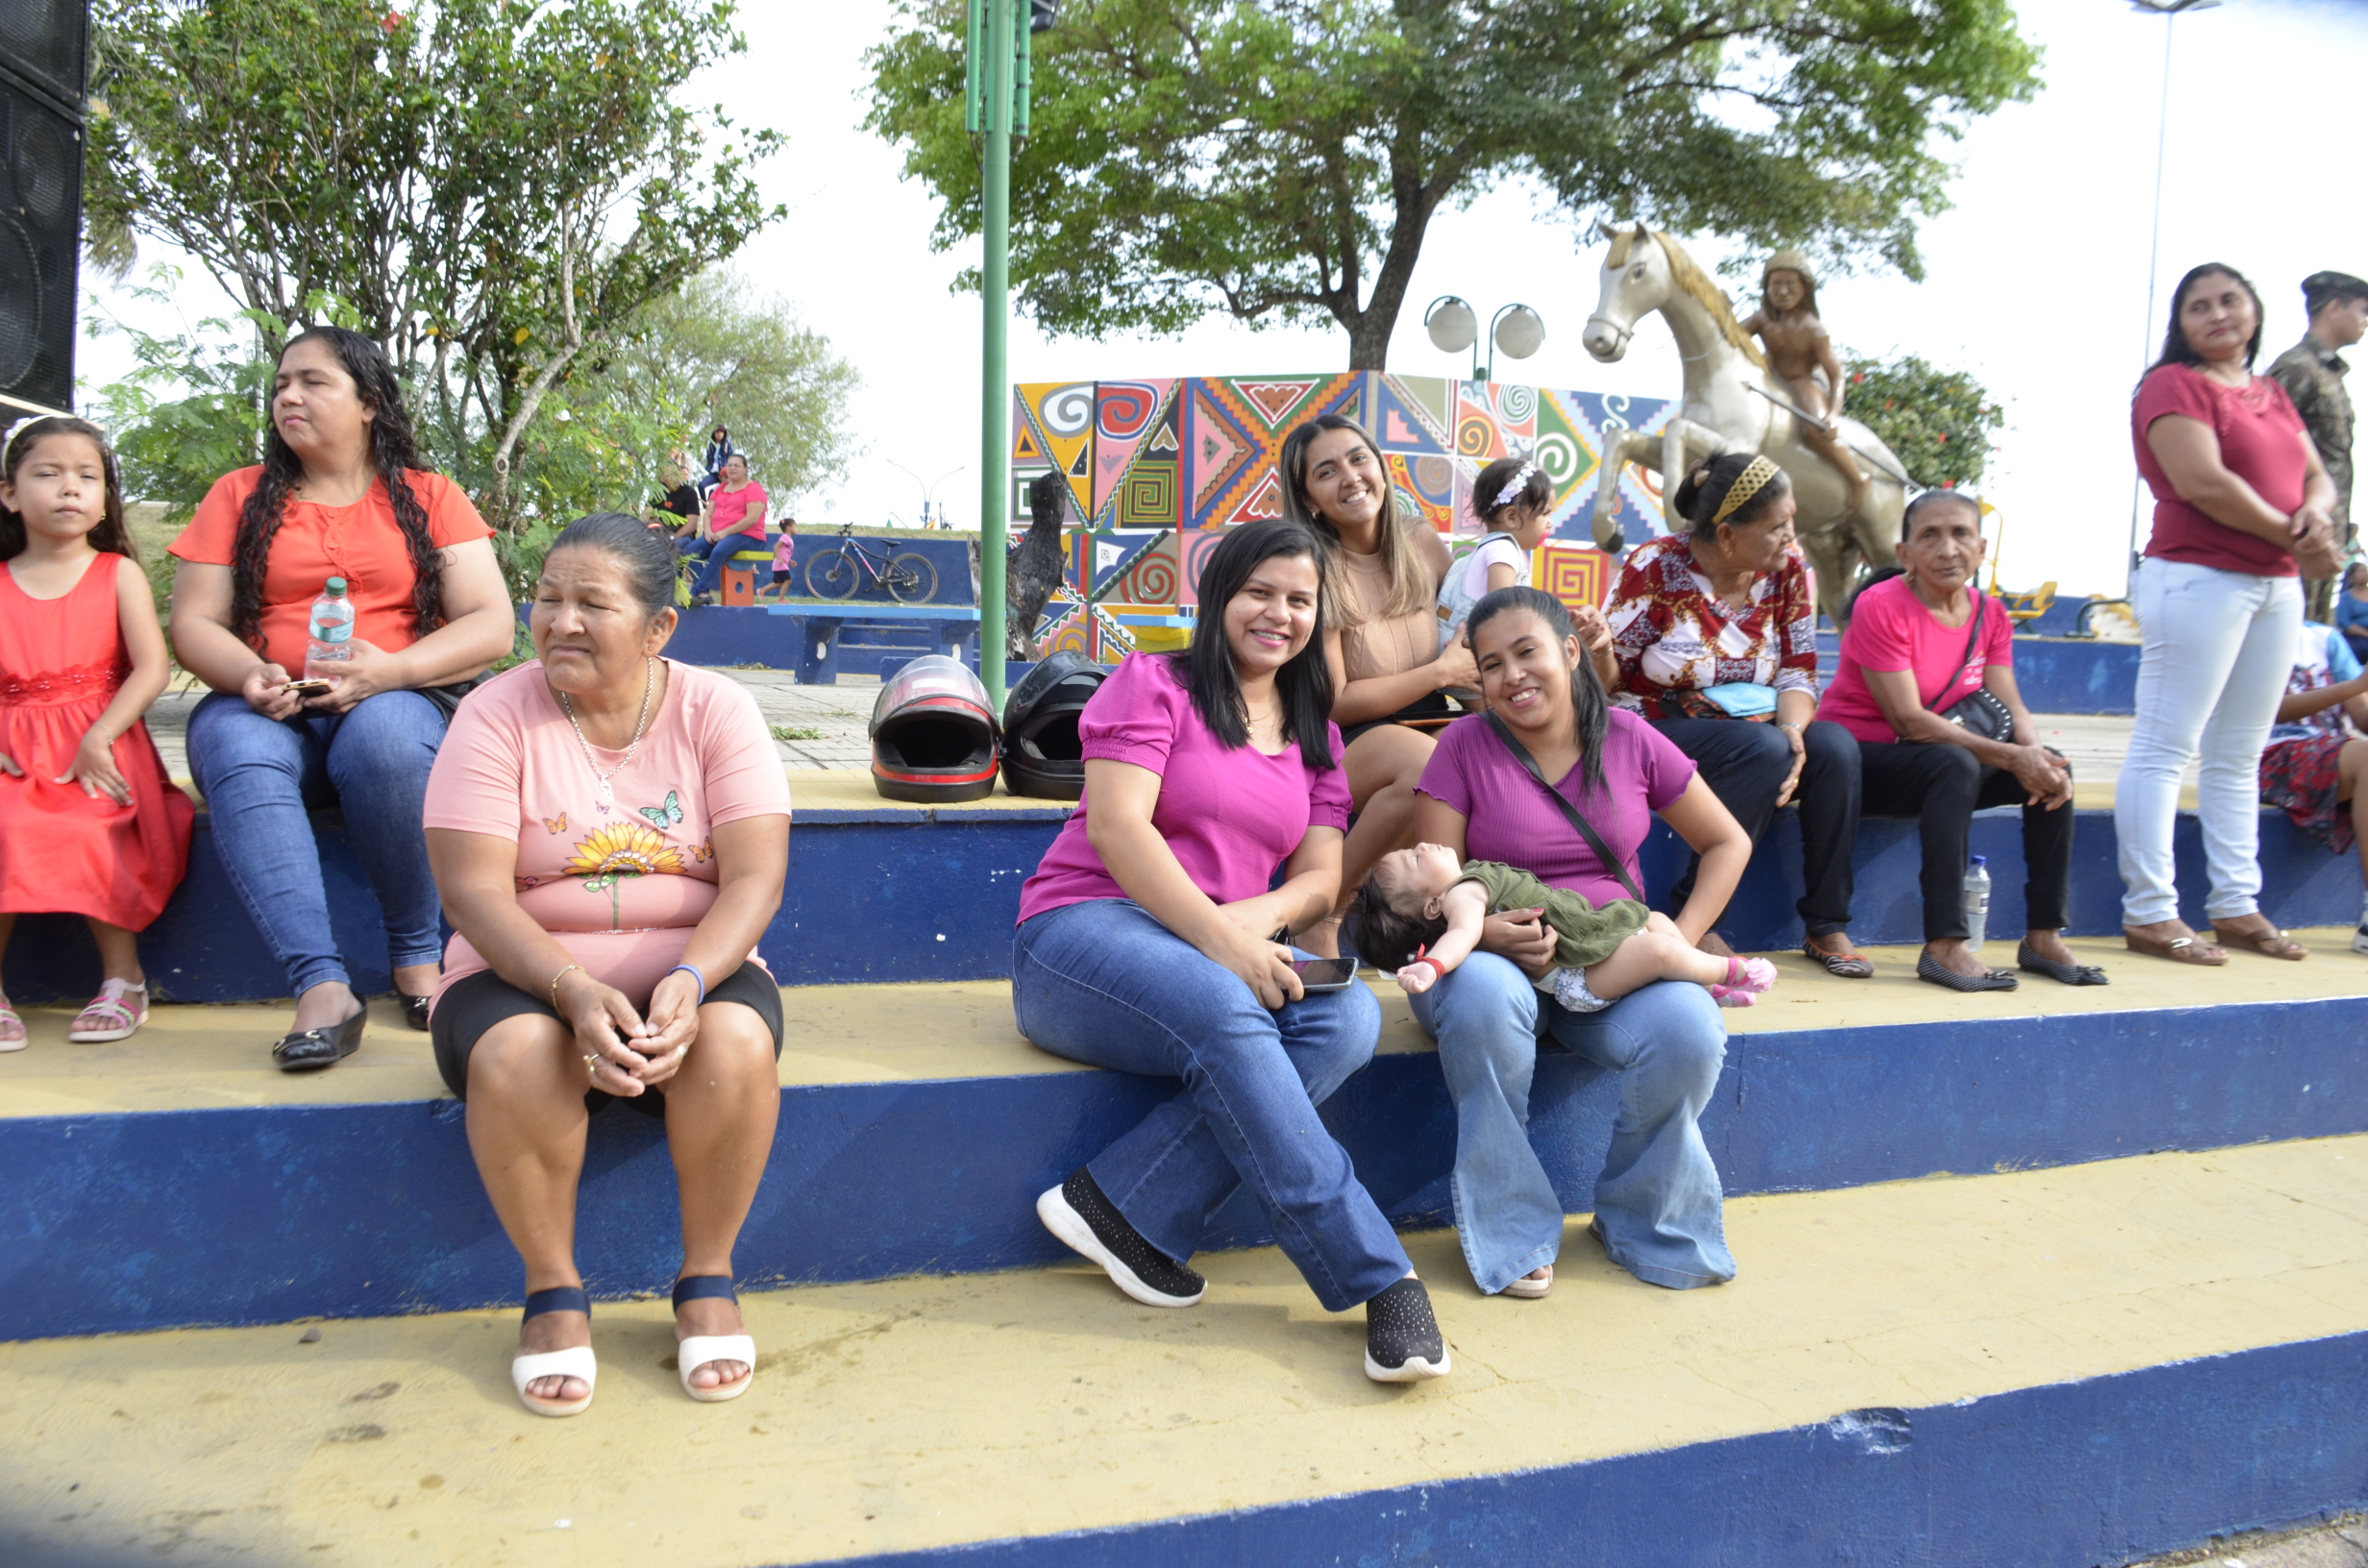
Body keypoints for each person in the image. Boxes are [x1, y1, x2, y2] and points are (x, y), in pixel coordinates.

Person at [1010, 518, 1449, 1384]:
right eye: (1260, 593)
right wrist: (1221, 940)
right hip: (1084, 935)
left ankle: (1121, 1205)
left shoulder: (1312, 733)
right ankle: (1380, 1276)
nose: (1277, 614)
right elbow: (1118, 827)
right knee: (1226, 1005)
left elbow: (1322, 878)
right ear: (1220, 595)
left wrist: (1257, 920)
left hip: (1221, 944)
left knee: (1349, 1019)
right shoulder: (1156, 683)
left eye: (1299, 600)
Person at [423, 513, 792, 1417]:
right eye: (548, 599)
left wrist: (694, 979)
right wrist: (572, 987)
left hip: (695, 963)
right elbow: (473, 893)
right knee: (517, 1056)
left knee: (737, 1041)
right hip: (520, 970)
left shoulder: (718, 710)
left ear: (659, 627)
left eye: (594, 603)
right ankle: (552, 1291)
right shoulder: (493, 711)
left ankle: (707, 1276)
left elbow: (754, 878)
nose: (562, 622)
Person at [169, 327, 515, 1068]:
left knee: (389, 735)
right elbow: (193, 622)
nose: (288, 395)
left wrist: (389, 672)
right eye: (280, 384)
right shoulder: (237, 495)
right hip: (268, 710)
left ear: (368, 402)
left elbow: (493, 625)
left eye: (313, 381)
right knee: (234, 744)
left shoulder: (429, 497)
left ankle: (419, 958)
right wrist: (247, 673)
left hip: (393, 704)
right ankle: (322, 987)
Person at [1405, 586, 1754, 1301]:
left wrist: (1675, 947)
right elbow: (1434, 892)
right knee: (1479, 995)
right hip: (1483, 963)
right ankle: (1511, 1229)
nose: (1512, 676)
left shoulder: (1627, 738)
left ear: (1570, 652)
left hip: (1607, 970)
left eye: (1527, 652)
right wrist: (1489, 936)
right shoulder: (1462, 748)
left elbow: (1727, 840)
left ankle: (1643, 1216)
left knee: (1690, 1026)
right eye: (1491, 662)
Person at [1280, 415, 1616, 957]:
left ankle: (1506, 919)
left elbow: (1471, 630)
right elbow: (1336, 702)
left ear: (1380, 468)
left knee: (1498, 764)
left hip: (1437, 716)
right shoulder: (1314, 567)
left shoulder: (1421, 542)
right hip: (1347, 737)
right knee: (1427, 766)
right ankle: (1323, 912)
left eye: (1358, 458)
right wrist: (1440, 674)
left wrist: (1566, 636)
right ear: (1310, 498)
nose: (1350, 477)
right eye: (1327, 471)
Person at [2119, 263, 2342, 967]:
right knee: (2165, 745)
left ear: (2254, 312)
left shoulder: (2270, 391)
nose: (2217, 315)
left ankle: (2235, 904)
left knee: (2239, 751)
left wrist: (2315, 517)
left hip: (2275, 587)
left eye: (2230, 301)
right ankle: (2150, 910)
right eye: (2198, 306)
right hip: (2197, 578)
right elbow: (2202, 482)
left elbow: (2317, 475)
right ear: (2180, 323)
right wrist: (2300, 539)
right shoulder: (2169, 385)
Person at [1818, 490, 2103, 992]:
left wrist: (2034, 754)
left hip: (1941, 762)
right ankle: (1946, 944)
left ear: (1981, 547)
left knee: (2057, 771)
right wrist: (2012, 756)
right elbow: (1909, 720)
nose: (1947, 548)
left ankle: (2043, 935)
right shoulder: (1880, 606)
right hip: (1868, 761)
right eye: (1929, 535)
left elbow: (2009, 702)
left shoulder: (1989, 613)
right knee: (1954, 765)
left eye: (1960, 534)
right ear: (1904, 553)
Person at [1604, 453, 1869, 974]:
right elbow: (1610, 679)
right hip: (1654, 722)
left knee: (1834, 749)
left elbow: (1797, 670)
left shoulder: (1788, 571)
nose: (1790, 540)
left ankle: (1825, 922)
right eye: (1776, 528)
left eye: (1791, 522)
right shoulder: (1655, 566)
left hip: (1756, 722)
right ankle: (1695, 919)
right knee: (1763, 751)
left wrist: (1794, 729)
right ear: (1726, 536)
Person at [0, 418, 194, 1049]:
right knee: (6, 826)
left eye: (87, 477)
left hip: (101, 746)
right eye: (47, 474)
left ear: (105, 498)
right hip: (13, 753)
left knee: (90, 824)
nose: (68, 489)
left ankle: (123, 979)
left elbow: (152, 668)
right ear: (9, 493)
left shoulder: (117, 574)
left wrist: (99, 735)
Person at [1354, 841, 1779, 1014]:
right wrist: (1432, 967)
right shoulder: (1462, 896)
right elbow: (1462, 935)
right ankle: (1730, 971)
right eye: (1414, 858)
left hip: (1588, 940)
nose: (1423, 844)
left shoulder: (1469, 879)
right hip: (1578, 974)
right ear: (1432, 906)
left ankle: (1710, 988)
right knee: (1659, 952)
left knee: (1657, 921)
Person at [2257, 619, 2368, 952]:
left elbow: (2361, 715)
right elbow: (2263, 711)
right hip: (2267, 752)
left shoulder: (2324, 637)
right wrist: (2356, 684)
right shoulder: (2242, 628)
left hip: (2329, 750)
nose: (2342, 562)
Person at [2267, 271, 2365, 619]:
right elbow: (2264, 449)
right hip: (2299, 535)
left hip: (2328, 536)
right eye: (2362, 310)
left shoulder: (2330, 373)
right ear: (2335, 307)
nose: (2366, 321)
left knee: (2313, 646)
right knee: (2290, 646)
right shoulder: (2297, 368)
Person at [1741, 251, 1867, 512]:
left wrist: (1832, 414)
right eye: (1776, 284)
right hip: (1769, 380)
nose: (1783, 291)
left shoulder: (1814, 329)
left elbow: (1836, 373)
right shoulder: (1762, 318)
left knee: (1816, 429)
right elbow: (1731, 335)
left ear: (1804, 289)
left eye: (1790, 284)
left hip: (1802, 382)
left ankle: (1857, 478)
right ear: (1766, 288)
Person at [1432, 456, 1561, 651]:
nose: (1550, 522)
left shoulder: (1486, 549)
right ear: (1512, 518)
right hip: (1467, 654)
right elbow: (1502, 613)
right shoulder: (1504, 551)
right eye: (1545, 514)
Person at [686, 453, 769, 604]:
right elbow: (708, 514)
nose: (732, 468)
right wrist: (708, 532)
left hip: (748, 537)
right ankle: (703, 594)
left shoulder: (754, 489)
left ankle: (695, 591)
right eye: (729, 465)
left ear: (745, 468)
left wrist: (724, 533)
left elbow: (751, 519)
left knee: (719, 550)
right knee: (690, 551)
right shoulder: (720, 489)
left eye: (736, 465)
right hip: (718, 535)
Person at [646, 462, 701, 529]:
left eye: (676, 474)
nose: (674, 478)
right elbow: (647, 513)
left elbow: (691, 525)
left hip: (682, 535)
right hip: (663, 532)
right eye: (668, 476)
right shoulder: (658, 490)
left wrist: (673, 538)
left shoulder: (690, 493)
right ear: (662, 478)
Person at [2335, 564, 2368, 664]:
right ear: (2351, 577)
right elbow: (2344, 623)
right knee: (2357, 648)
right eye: (2360, 571)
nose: (2364, 574)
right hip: (2357, 638)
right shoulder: (2346, 598)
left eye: (2365, 571)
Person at [765, 517, 797, 601]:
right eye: (794, 526)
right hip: (780, 564)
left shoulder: (788, 538)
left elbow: (785, 552)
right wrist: (779, 559)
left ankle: (762, 591)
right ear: (788, 528)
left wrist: (789, 561)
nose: (796, 528)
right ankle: (780, 599)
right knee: (788, 580)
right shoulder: (785, 537)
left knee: (780, 583)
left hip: (783, 564)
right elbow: (776, 546)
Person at [698, 426, 735, 497]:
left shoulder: (727, 444)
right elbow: (709, 458)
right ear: (714, 433)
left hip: (724, 474)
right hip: (714, 473)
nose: (719, 434)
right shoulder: (710, 444)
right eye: (717, 432)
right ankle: (705, 506)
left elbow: (731, 459)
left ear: (724, 433)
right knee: (701, 485)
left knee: (715, 493)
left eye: (721, 432)